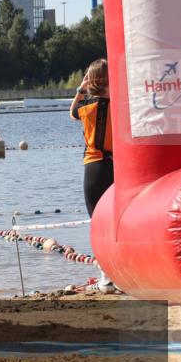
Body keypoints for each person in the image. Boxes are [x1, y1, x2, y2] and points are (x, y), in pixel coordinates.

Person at [70, 58, 116, 293]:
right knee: (115, 222)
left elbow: (72, 112)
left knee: (98, 223)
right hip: (116, 167)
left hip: (94, 167)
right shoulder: (120, 105)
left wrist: (81, 88)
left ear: (92, 80)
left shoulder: (86, 106)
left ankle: (106, 278)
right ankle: (119, 274)